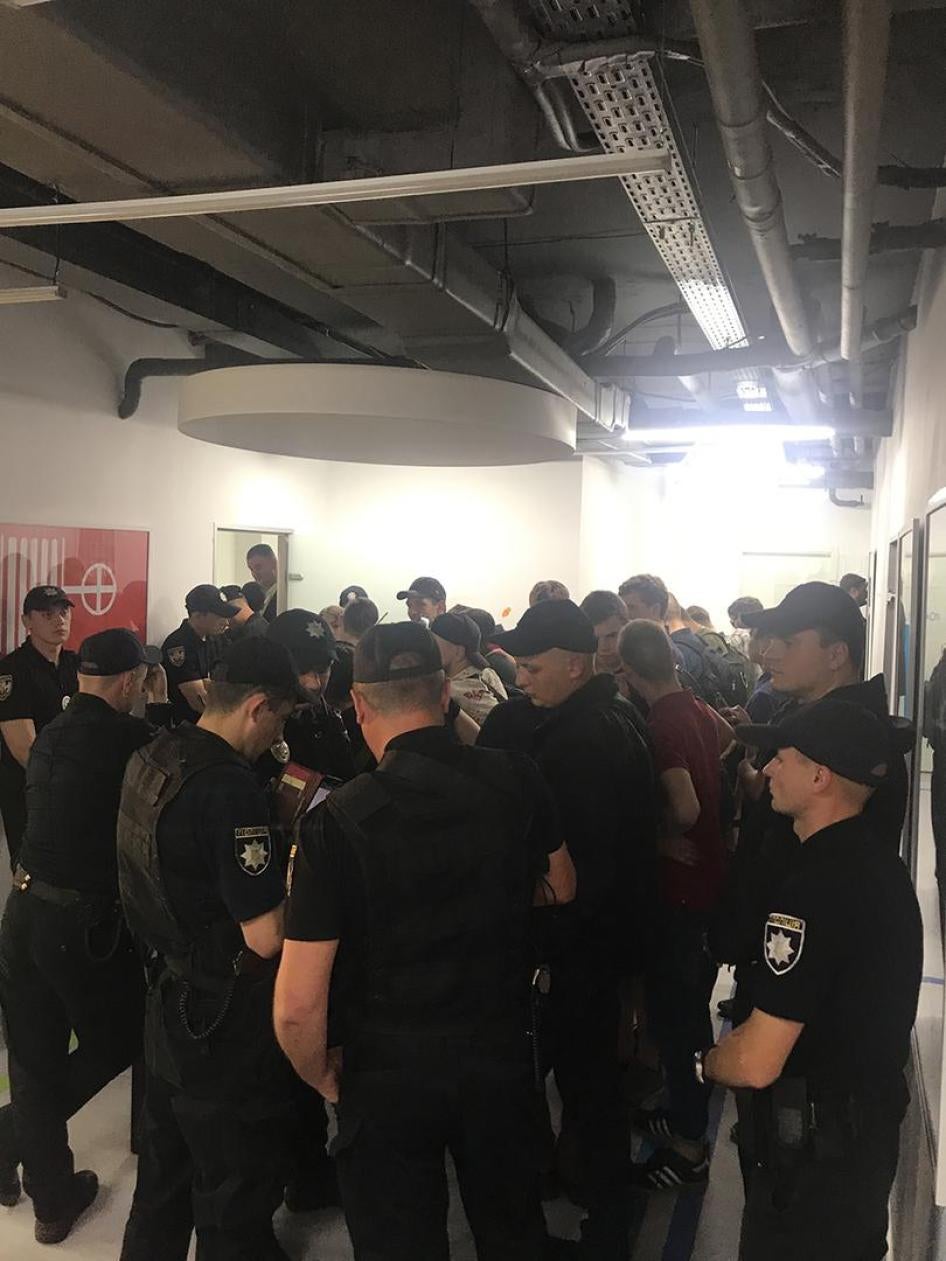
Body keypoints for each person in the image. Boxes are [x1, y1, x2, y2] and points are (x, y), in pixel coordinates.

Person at [273, 621, 577, 1261]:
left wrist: (324, 1077)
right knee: (513, 1228)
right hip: (498, 1047)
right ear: (445, 694)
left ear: (358, 705)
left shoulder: (337, 821)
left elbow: (298, 1003)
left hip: (388, 1066)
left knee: (397, 1240)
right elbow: (563, 884)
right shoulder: (515, 777)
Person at [704, 700, 922, 1261]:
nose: (769, 769)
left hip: (812, 1164)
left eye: (784, 758)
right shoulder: (876, 865)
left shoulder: (813, 889)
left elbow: (756, 1061)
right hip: (857, 1143)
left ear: (821, 776)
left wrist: (708, 1061)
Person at [118, 636, 306, 1261]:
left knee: (163, 1178)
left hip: (166, 995)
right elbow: (266, 934)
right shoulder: (228, 787)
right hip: (220, 1015)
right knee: (233, 1184)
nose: (278, 733)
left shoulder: (155, 752)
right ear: (258, 707)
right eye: (280, 715)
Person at [483, 599, 657, 1255]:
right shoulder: (593, 719)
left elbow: (580, 871)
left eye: (530, 667)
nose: (519, 678)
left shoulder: (584, 742)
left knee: (585, 1086)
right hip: (588, 942)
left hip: (576, 945)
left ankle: (606, 1221)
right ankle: (593, 1198)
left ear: (575, 665)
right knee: (585, 1085)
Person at [0, 629, 169, 1243]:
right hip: (79, 924)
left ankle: (50, 1200)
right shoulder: (130, 738)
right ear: (130, 682)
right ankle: (9, 1137)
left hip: (21, 909)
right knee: (121, 1037)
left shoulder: (50, 734)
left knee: (33, 1055)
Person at [713, 582, 910, 1014]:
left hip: (807, 989)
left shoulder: (852, 744)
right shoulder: (806, 721)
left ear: (836, 654)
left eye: (788, 642)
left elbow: (825, 877)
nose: (768, 654)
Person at [617, 620, 729, 1189]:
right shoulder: (698, 708)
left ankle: (688, 1145)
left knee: (679, 1020)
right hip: (708, 881)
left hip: (678, 891)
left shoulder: (660, 723)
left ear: (631, 674)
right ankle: (682, 1109)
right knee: (686, 1008)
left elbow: (682, 807)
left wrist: (657, 837)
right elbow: (725, 751)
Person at [0, 585, 79, 871]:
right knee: (33, 883)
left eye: (64, 612)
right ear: (26, 622)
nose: (59, 621)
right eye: (48, 614)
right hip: (32, 797)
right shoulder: (12, 670)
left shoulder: (76, 665)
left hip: (72, 792)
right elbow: (25, 751)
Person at [261, 609, 355, 785]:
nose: (314, 683)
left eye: (323, 669)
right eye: (301, 669)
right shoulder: (251, 722)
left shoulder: (329, 720)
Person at [161, 584, 238, 726]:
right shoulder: (178, 645)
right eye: (220, 616)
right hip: (191, 728)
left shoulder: (216, 639)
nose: (226, 622)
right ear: (198, 615)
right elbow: (198, 702)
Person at [430, 610, 508, 725]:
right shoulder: (487, 672)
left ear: (458, 651)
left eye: (435, 644)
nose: (430, 650)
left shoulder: (454, 691)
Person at [246, 543, 279, 623]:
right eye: (251, 569)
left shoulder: (284, 595)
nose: (254, 574)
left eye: (258, 567)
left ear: (274, 563)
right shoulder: (257, 595)